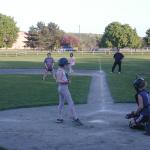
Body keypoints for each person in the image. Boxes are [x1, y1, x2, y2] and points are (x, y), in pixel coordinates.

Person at [55, 57, 83, 126]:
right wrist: (66, 81)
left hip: (62, 88)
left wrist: (67, 80)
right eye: (66, 64)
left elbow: (63, 78)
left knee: (61, 103)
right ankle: (75, 118)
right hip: (63, 88)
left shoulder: (61, 70)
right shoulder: (60, 71)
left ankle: (59, 118)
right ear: (63, 64)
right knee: (71, 102)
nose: (67, 65)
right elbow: (58, 81)